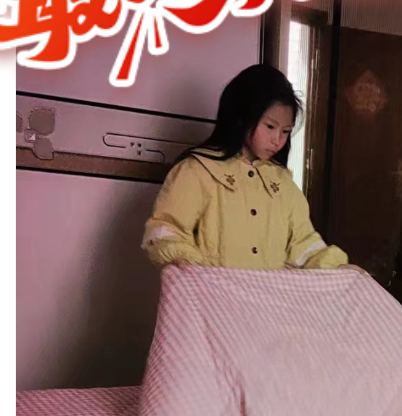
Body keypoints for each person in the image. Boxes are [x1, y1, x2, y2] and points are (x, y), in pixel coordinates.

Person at [142, 64, 348, 273]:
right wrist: (194, 267)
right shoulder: (197, 171)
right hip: (213, 291)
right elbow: (167, 230)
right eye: (270, 126)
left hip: (268, 293)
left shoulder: (283, 184)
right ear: (242, 117)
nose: (277, 140)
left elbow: (304, 244)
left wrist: (338, 267)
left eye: (285, 131)